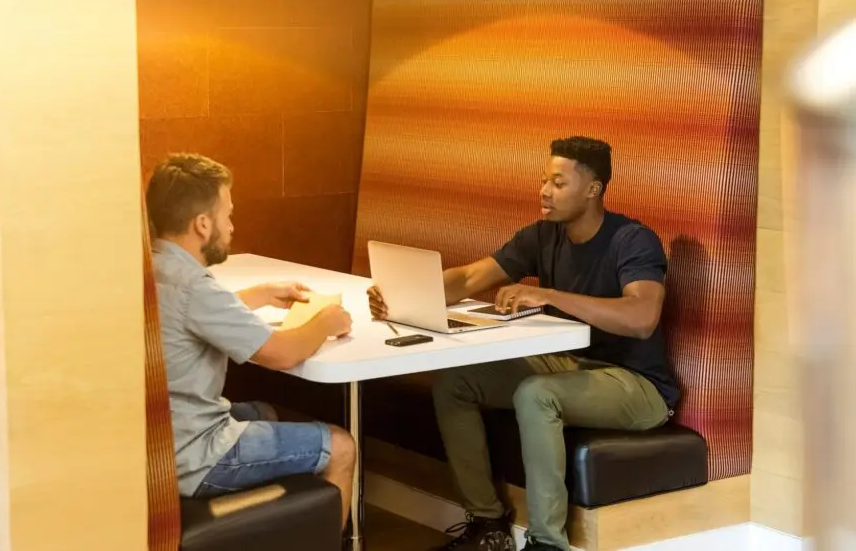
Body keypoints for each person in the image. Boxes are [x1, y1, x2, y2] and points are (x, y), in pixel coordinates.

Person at [368, 137, 679, 551]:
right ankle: (488, 523)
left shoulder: (632, 240)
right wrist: (402, 292)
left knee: (536, 395)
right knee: (456, 381)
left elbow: (641, 318)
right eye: (543, 180)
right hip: (568, 364)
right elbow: (470, 279)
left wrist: (551, 297)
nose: (544, 191)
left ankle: (547, 543)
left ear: (593, 189)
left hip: (636, 384)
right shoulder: (542, 235)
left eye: (557, 182)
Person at [146, 153, 357, 523]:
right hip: (195, 455)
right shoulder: (195, 286)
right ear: (202, 224)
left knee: (266, 412)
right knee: (341, 446)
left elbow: (190, 316)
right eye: (227, 214)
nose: (231, 226)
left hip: (156, 444)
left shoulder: (152, 268)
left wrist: (260, 294)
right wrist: (326, 321)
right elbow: (280, 354)